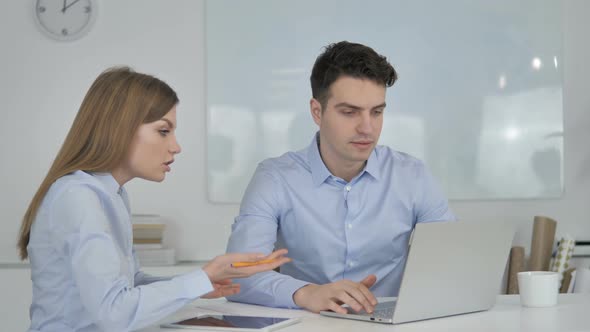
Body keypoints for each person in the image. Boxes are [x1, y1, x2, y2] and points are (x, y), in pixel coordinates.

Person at [17, 67, 290, 332]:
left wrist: (199, 285)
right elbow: (115, 312)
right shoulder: (78, 197)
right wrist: (200, 279)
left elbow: (130, 284)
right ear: (119, 128)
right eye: (163, 131)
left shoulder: (112, 195)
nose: (176, 146)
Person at [225, 41, 455, 314]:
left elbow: (452, 264)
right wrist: (308, 293)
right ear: (317, 112)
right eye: (349, 112)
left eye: (377, 112)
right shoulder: (274, 178)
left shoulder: (412, 175)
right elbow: (238, 278)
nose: (367, 128)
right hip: (309, 326)